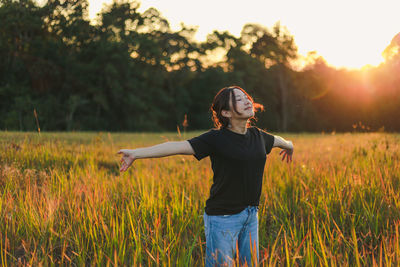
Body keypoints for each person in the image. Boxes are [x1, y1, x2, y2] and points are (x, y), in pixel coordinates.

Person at [118, 86, 293, 266]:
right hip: (223, 218)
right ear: (225, 112)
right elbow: (176, 146)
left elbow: (280, 141)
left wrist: (290, 146)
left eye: (246, 97)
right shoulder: (216, 139)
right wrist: (136, 153)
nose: (247, 100)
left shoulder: (259, 136)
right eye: (239, 99)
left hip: (251, 215)